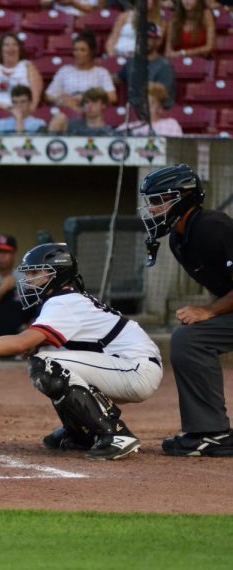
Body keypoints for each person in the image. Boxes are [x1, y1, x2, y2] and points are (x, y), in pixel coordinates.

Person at [0, 243, 162, 460]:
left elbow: (19, 344)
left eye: (36, 272)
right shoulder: (65, 299)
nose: (29, 279)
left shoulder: (64, 302)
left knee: (46, 365)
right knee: (44, 356)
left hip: (135, 368)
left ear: (58, 274)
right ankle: (81, 434)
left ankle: (115, 433)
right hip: (127, 365)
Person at [137, 165, 233, 456]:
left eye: (158, 201)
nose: (151, 209)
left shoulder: (212, 228)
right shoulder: (180, 239)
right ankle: (211, 431)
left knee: (191, 337)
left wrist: (210, 312)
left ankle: (211, 432)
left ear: (182, 198)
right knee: (191, 338)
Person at [45, 31, 117, 112]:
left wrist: (85, 98)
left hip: (91, 110)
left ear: (91, 52)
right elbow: (49, 94)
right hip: (68, 110)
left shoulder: (101, 73)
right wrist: (59, 100)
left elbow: (112, 96)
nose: (77, 53)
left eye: (82, 50)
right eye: (75, 50)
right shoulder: (65, 71)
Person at [0, 33, 43, 110]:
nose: (11, 48)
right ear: (1, 49)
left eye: (15, 45)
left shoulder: (28, 68)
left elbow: (34, 101)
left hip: (20, 113)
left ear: (19, 49)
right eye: (6, 45)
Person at [117, 23, 177, 109]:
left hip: (155, 112)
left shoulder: (164, 67)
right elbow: (119, 78)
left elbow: (163, 98)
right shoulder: (132, 62)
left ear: (158, 41)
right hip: (133, 111)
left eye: (148, 38)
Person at [117, 82, 183, 137]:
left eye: (149, 104)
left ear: (160, 108)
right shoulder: (128, 127)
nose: (144, 107)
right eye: (142, 104)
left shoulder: (170, 124)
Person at [48, 86, 115, 135]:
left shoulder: (107, 132)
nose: (89, 105)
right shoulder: (70, 125)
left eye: (94, 102)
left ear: (103, 105)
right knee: (59, 117)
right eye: (86, 102)